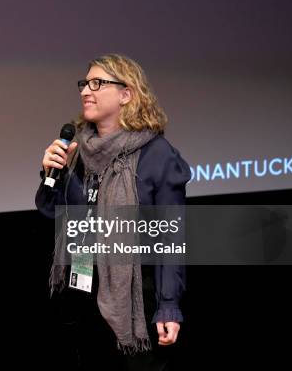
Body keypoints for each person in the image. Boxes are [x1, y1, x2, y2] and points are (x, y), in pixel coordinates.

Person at [35, 54, 190, 370]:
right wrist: (54, 174)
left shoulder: (157, 155)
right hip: (80, 295)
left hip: (135, 299)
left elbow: (171, 238)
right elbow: (53, 211)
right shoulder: (78, 149)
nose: (85, 91)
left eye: (97, 83)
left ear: (126, 94)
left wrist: (168, 306)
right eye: (84, 83)